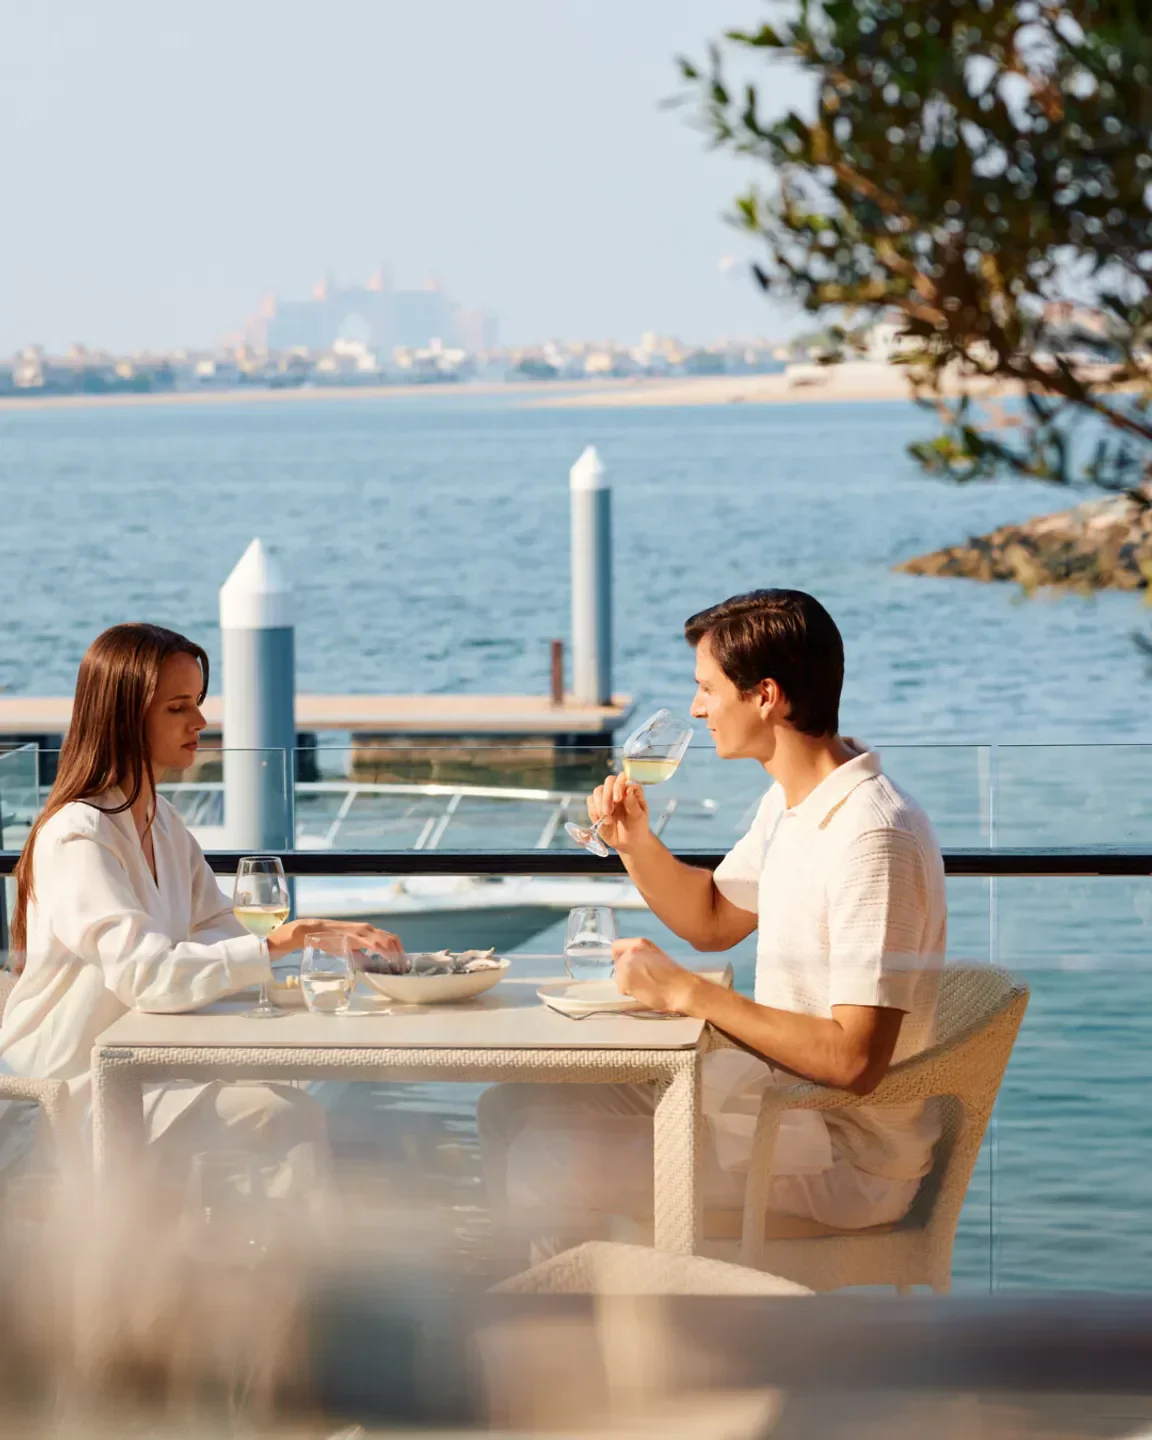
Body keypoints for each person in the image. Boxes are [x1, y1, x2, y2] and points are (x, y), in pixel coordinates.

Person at [479, 589, 946, 1254]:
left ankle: (572, 1338)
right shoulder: (795, 803)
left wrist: (687, 993)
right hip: (768, 1110)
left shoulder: (873, 836)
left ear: (766, 697)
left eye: (706, 689)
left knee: (540, 1162)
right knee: (511, 1110)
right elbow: (713, 919)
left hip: (839, 1155)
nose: (697, 709)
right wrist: (633, 840)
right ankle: (577, 1311)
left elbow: (852, 1060)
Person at [0, 622, 404, 1189]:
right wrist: (282, 941)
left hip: (147, 1070)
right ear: (125, 716)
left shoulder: (162, 823)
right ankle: (287, 1275)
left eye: (198, 703)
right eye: (177, 707)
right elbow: (146, 974)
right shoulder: (77, 837)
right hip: (69, 1092)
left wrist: (286, 945)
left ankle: (252, 1270)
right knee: (281, 1118)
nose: (200, 722)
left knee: (317, 1111)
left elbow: (214, 929)